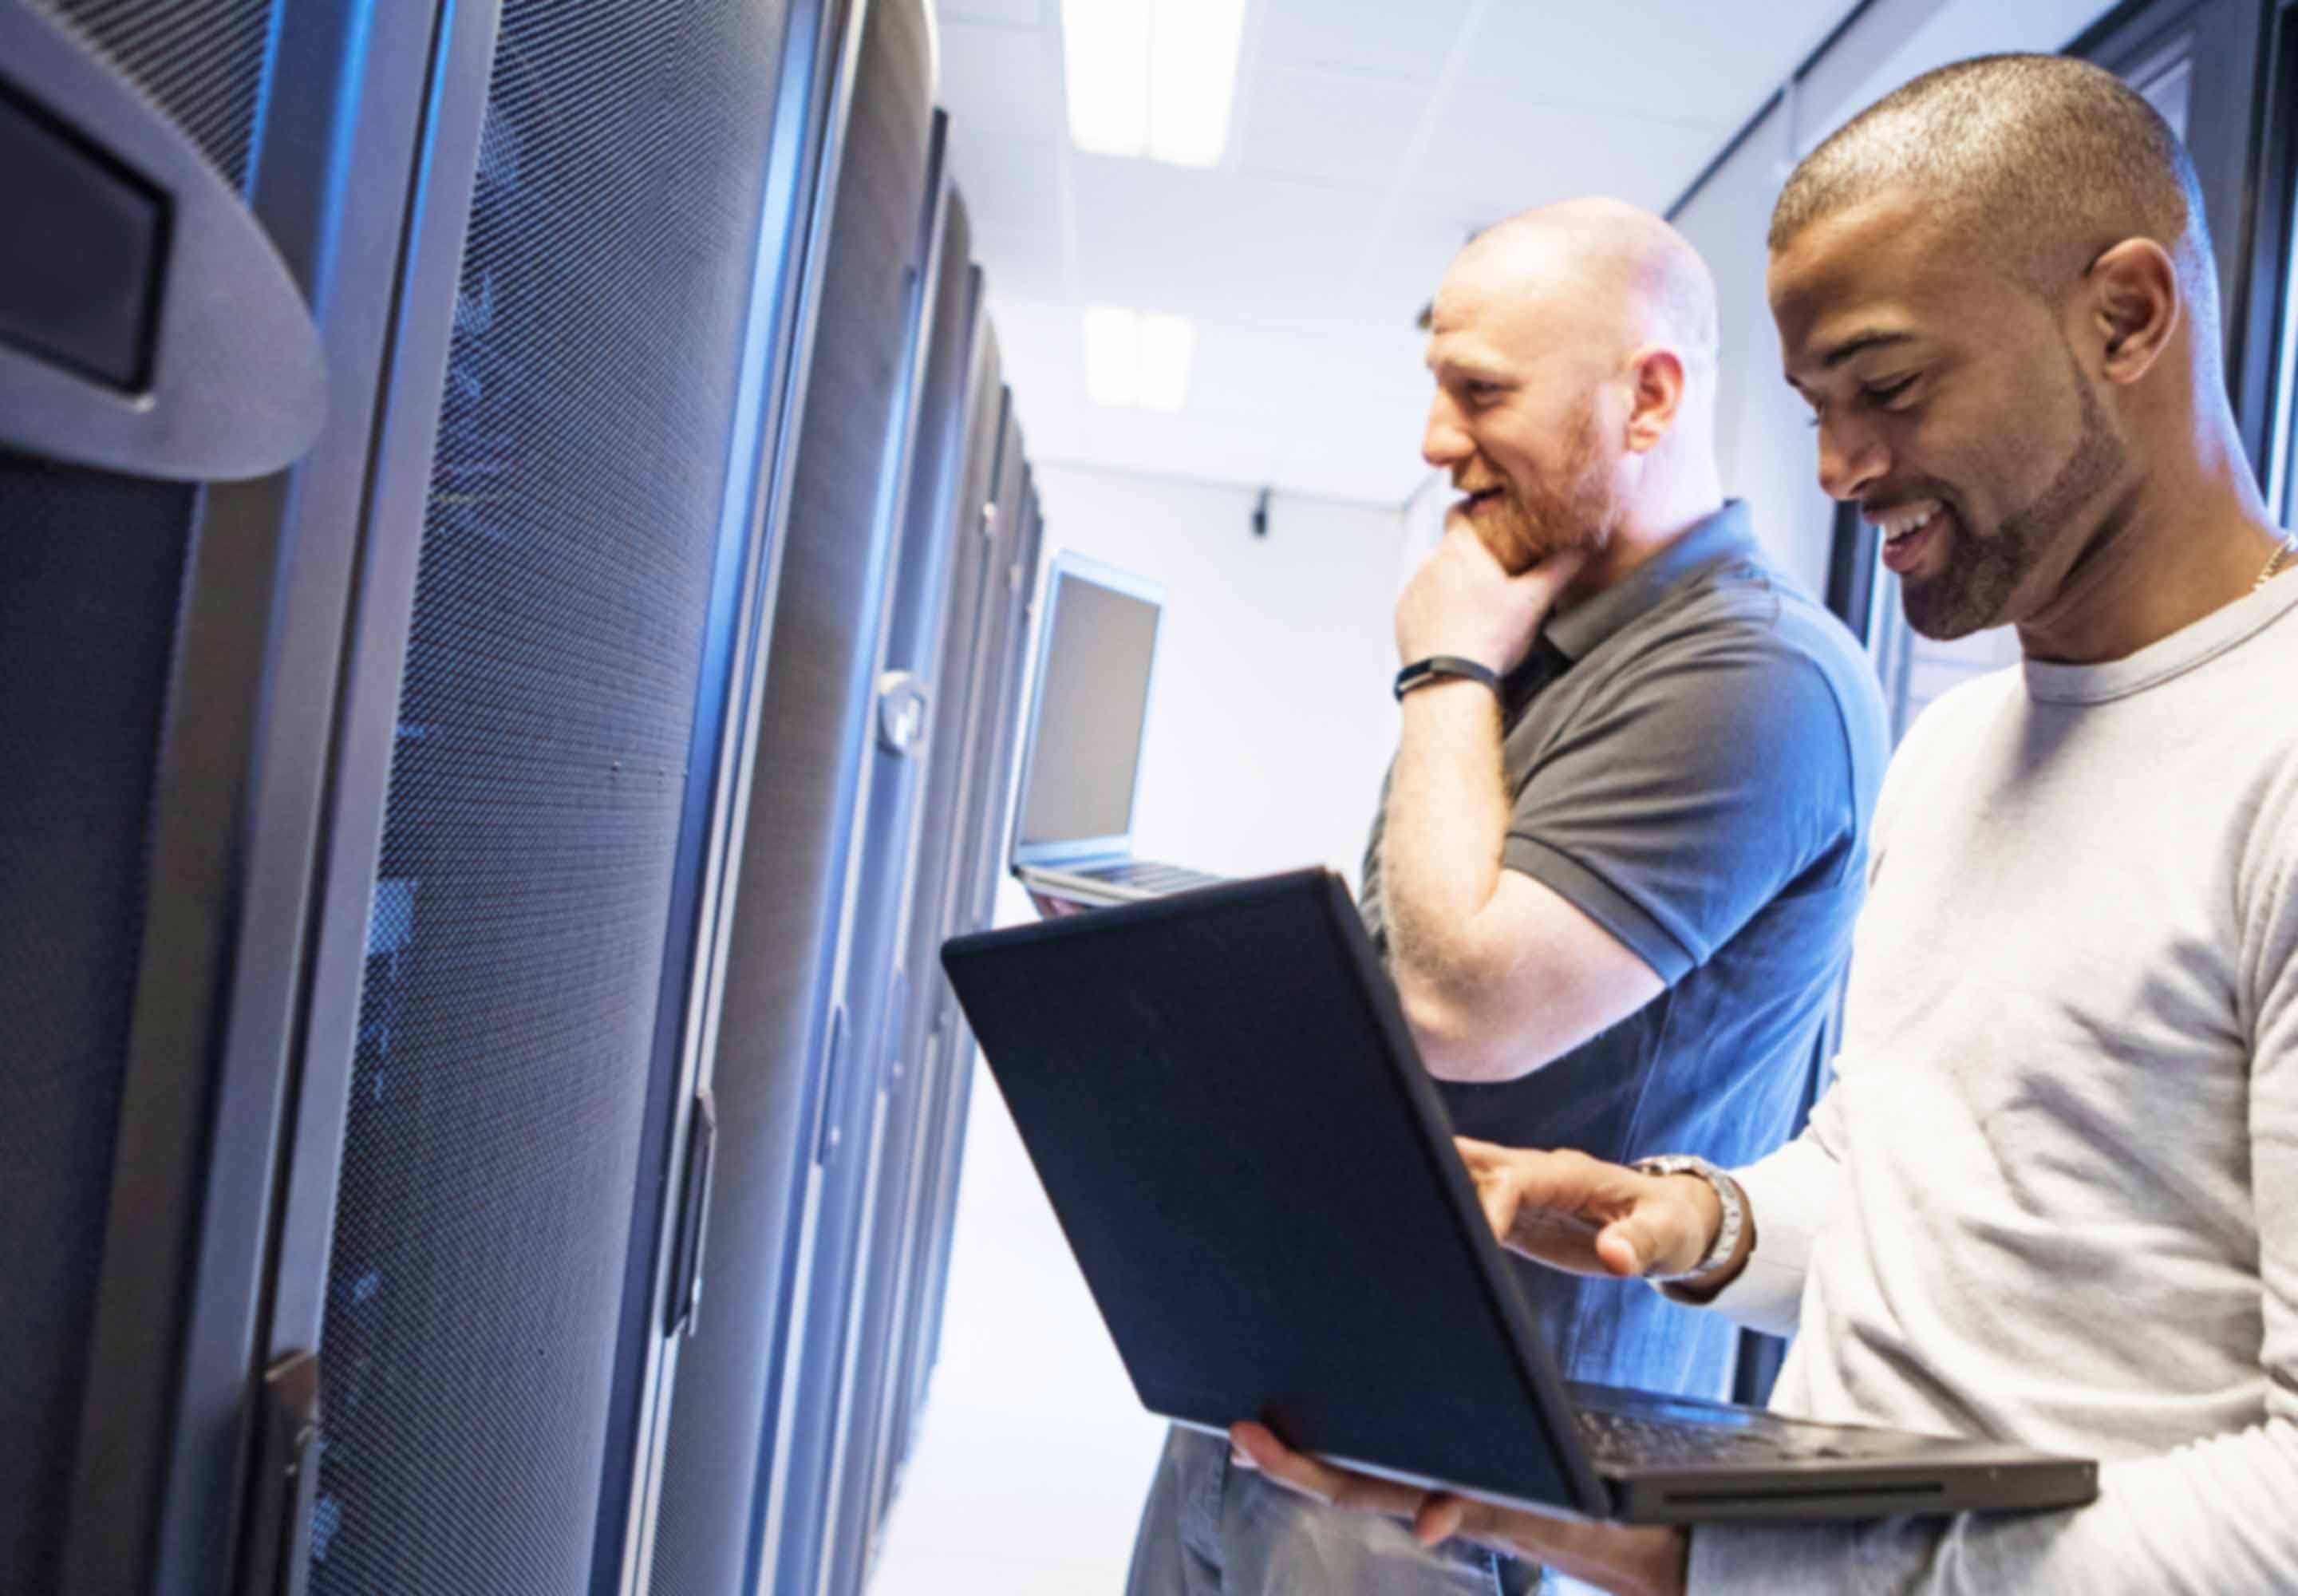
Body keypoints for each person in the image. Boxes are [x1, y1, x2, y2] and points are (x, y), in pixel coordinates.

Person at [1233, 53, 2298, 1595]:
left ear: (2126, 317)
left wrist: (1741, 1562)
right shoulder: (1959, 749)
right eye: (1815, 408)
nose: (1840, 470)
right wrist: (1692, 1219)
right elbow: (1905, 1192)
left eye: (1891, 388)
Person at [1125, 200, 1888, 1594]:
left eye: (1480, 392)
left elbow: (1456, 1010)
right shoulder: (1527, 632)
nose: (1436, 440)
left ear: (1649, 398)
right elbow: (1394, 972)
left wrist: (1443, 672)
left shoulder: (1757, 679)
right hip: (1289, 1403)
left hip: (1477, 1492)